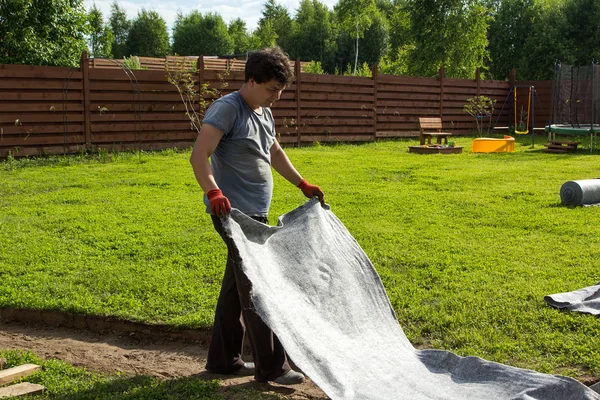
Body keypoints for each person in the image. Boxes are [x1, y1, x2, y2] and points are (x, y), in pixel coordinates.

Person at [189, 46, 325, 385]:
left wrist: (302, 183)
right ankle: (272, 368)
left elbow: (274, 151)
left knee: (237, 288)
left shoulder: (264, 112)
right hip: (233, 214)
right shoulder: (227, 109)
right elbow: (198, 156)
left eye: (280, 91)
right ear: (251, 80)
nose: (276, 96)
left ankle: (223, 360)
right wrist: (213, 191)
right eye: (271, 89)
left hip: (257, 214)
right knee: (259, 287)